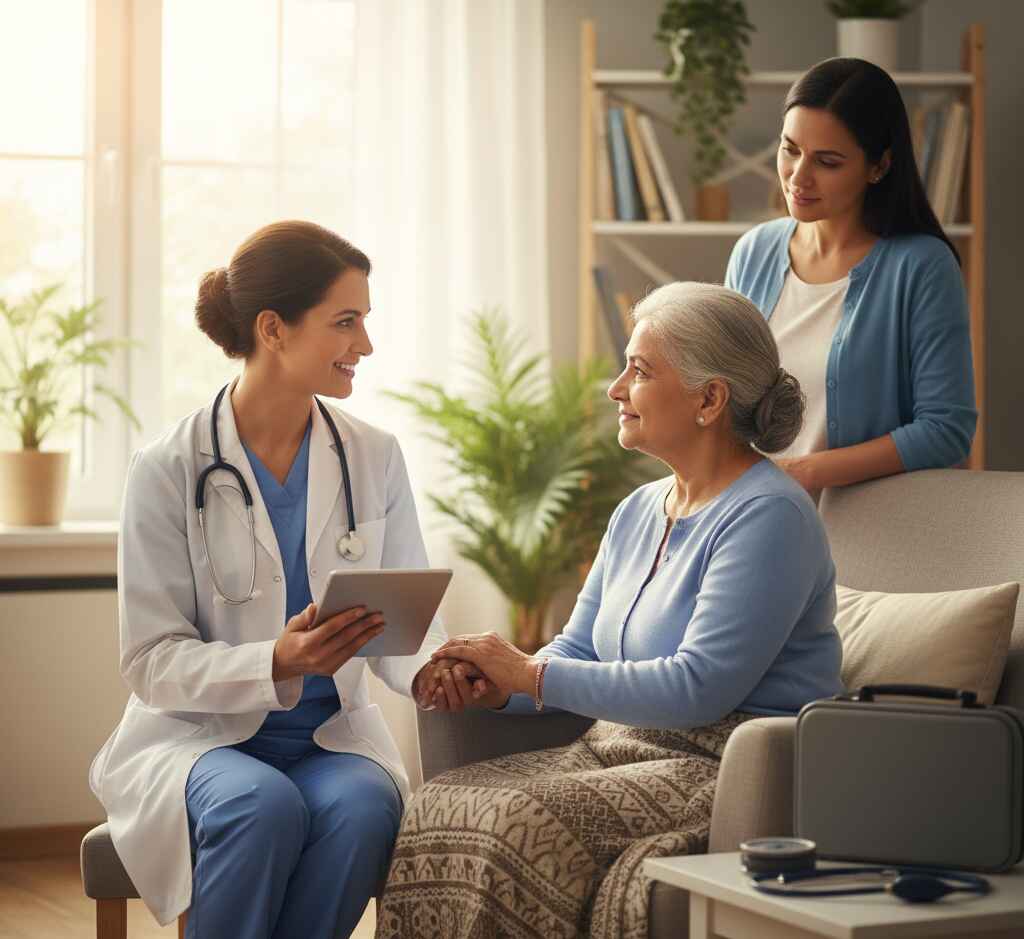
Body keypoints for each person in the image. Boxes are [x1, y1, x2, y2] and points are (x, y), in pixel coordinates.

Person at [374, 282, 844, 939]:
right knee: (437, 804)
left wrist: (528, 674)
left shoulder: (770, 516)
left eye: (640, 370)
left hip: (723, 765)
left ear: (710, 400)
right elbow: (576, 655)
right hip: (619, 748)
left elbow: (699, 686)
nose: (614, 387)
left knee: (519, 827)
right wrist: (494, 681)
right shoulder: (637, 509)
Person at [89, 221, 468, 938]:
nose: (366, 345)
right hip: (200, 739)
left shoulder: (373, 456)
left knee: (365, 807)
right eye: (345, 322)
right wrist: (275, 659)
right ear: (274, 329)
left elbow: (405, 623)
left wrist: (428, 672)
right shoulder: (168, 469)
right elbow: (149, 660)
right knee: (259, 804)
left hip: (330, 734)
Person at [726, 57, 977, 498]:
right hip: (753, 520)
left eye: (827, 161)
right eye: (790, 150)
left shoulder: (922, 267)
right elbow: (724, 396)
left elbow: (946, 430)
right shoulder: (754, 252)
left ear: (878, 166)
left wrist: (802, 472)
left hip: (872, 532)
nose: (798, 177)